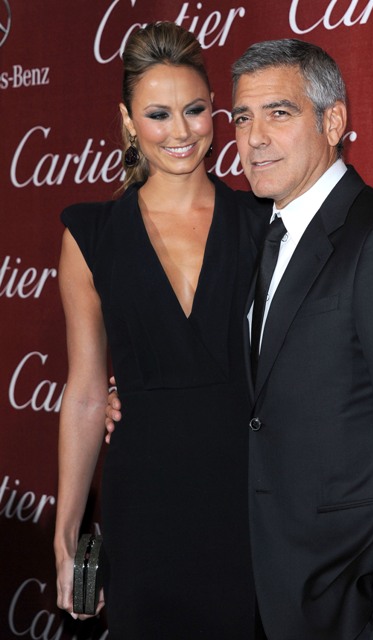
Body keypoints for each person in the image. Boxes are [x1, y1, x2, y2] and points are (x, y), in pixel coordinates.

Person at [106, 37, 373, 639]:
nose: (253, 139)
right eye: (241, 118)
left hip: (369, 596)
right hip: (283, 593)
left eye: (279, 113)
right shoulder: (263, 239)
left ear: (333, 121)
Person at [54, 22, 268, 639]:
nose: (181, 131)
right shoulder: (90, 235)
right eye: (157, 114)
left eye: (195, 109)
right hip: (143, 503)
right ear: (128, 121)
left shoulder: (264, 223)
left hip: (251, 497)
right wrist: (66, 537)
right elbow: (86, 392)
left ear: (215, 110)